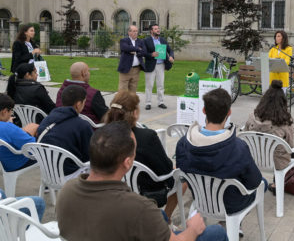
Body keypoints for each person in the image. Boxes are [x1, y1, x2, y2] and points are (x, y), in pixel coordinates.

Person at [56, 121, 228, 241]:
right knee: (215, 232)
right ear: (128, 162)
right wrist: (193, 229)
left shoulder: (67, 190)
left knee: (160, 215)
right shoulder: (138, 208)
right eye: (134, 151)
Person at [176, 88, 265, 215]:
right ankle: (235, 226)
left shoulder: (183, 144)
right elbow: (254, 182)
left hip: (201, 200)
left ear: (204, 110)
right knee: (263, 183)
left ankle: (234, 225)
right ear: (229, 112)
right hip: (232, 205)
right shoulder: (239, 147)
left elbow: (182, 175)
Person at [102, 90, 184, 221]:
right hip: (147, 192)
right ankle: (165, 220)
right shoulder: (147, 137)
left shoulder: (102, 135)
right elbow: (165, 169)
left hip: (115, 188)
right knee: (181, 177)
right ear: (135, 113)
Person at [245, 80, 294, 192]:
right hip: (277, 163)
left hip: (254, 159)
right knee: (289, 152)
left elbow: (245, 135)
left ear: (264, 100)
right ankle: (278, 183)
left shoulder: (252, 116)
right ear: (283, 102)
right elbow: (290, 146)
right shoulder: (285, 121)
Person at [37, 85, 93, 175]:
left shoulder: (46, 120)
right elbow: (89, 156)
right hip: (70, 174)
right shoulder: (82, 125)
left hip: (48, 173)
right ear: (78, 104)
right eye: (84, 102)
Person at [0, 93, 38, 173]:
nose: (11, 114)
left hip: (3, 161)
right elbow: (33, 146)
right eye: (11, 111)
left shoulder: (7, 127)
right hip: (16, 163)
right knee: (34, 127)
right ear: (4, 112)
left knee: (31, 127)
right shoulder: (8, 128)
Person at [143, 24, 174, 110]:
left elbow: (170, 50)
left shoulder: (163, 40)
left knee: (161, 85)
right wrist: (151, 54)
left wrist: (171, 56)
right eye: (156, 29)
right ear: (151, 31)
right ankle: (148, 103)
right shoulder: (146, 40)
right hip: (150, 65)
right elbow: (143, 53)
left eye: (158, 28)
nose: (158, 30)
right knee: (149, 85)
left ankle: (161, 102)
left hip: (161, 65)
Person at [117, 25, 145, 93]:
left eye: (136, 31)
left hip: (136, 69)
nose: (135, 33)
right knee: (122, 90)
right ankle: (121, 103)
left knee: (133, 89)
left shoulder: (140, 41)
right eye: (133, 31)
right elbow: (125, 48)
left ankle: (131, 103)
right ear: (129, 32)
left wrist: (135, 52)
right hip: (126, 69)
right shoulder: (124, 40)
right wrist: (138, 49)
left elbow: (144, 52)